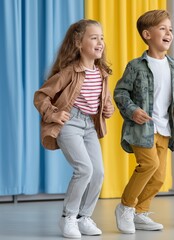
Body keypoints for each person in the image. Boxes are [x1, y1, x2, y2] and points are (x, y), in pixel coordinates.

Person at [33, 19, 114, 238]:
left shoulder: (102, 72)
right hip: (70, 124)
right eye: (94, 37)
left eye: (102, 37)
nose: (100, 42)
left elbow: (103, 101)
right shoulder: (69, 72)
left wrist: (108, 109)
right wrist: (54, 114)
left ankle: (83, 217)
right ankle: (68, 217)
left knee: (98, 172)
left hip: (89, 125)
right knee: (84, 169)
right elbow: (41, 96)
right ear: (78, 42)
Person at [113, 10, 174, 234]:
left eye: (170, 29)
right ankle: (125, 206)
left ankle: (140, 212)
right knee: (149, 165)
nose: (168, 33)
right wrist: (132, 111)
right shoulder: (136, 65)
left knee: (160, 177)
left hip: (165, 127)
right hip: (141, 128)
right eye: (162, 28)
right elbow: (121, 92)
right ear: (147, 34)